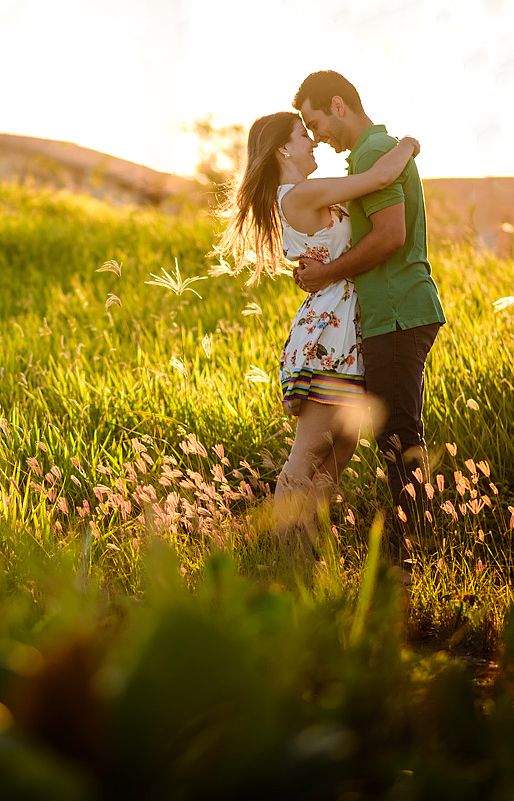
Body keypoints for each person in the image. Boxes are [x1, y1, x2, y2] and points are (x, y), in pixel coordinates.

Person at [215, 111, 419, 547]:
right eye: (303, 136)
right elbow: (383, 176)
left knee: (337, 458)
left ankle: (309, 558)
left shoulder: (298, 194)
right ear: (283, 149)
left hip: (348, 334)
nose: (313, 143)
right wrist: (409, 143)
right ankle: (280, 557)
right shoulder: (299, 194)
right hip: (328, 337)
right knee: (306, 458)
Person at [291, 70, 446, 548]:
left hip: (398, 311)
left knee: (399, 435)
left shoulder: (374, 153)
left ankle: (415, 555)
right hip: (389, 313)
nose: (317, 136)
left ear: (339, 105)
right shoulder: (371, 153)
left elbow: (390, 236)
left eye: (316, 123)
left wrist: (329, 273)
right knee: (394, 436)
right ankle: (413, 550)